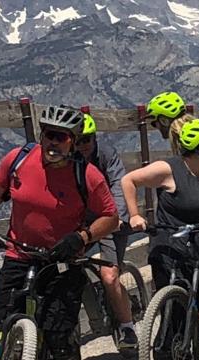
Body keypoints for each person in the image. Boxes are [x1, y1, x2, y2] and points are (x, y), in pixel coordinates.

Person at [0, 105, 120, 360]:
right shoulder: (19, 158)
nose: (53, 143)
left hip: (62, 261)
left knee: (59, 337)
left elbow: (110, 217)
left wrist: (81, 237)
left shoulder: (87, 175)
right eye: (49, 135)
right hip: (19, 254)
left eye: (62, 137)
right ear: (41, 135)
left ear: (73, 141)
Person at [119, 119, 199, 351]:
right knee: (175, 320)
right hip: (172, 252)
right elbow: (129, 180)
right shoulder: (170, 169)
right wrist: (134, 215)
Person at [72, 113, 139, 350]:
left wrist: (119, 218)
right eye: (77, 141)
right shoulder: (67, 160)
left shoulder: (107, 155)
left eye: (86, 140)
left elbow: (119, 187)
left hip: (108, 221)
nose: (82, 146)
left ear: (94, 139)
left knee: (110, 277)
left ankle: (127, 327)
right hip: (81, 224)